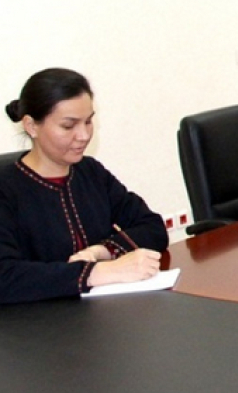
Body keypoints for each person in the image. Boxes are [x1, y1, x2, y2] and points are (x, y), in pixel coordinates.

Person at [0, 68, 167, 304]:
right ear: (31, 126)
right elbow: (5, 276)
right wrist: (97, 272)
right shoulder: (7, 188)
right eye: (69, 126)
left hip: (103, 313)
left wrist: (102, 251)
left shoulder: (90, 172)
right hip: (40, 320)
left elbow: (153, 227)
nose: (84, 135)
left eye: (88, 122)